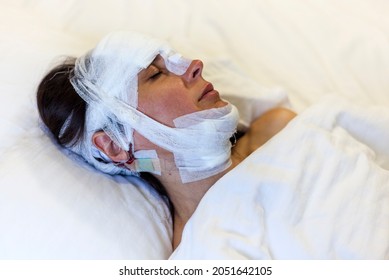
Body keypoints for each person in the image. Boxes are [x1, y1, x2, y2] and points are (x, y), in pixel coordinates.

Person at [36, 31, 296, 249]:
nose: (195, 65)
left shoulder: (279, 129)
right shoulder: (204, 251)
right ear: (116, 145)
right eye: (156, 74)